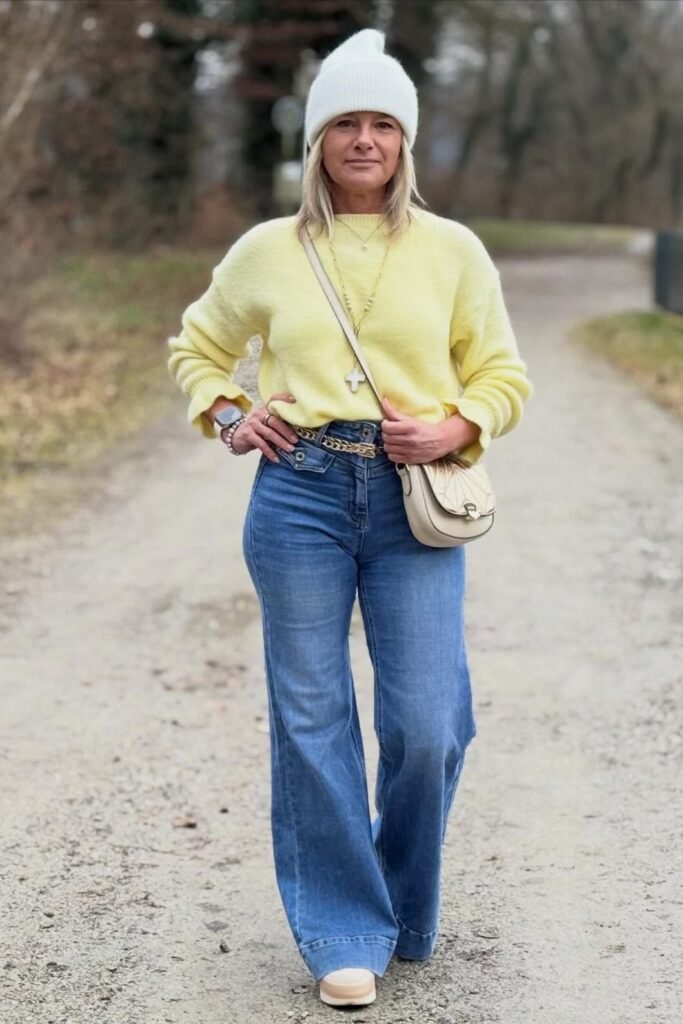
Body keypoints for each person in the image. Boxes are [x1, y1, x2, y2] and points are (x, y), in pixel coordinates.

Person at [167, 27, 533, 1009]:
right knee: (312, 713)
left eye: (382, 124)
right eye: (344, 123)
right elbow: (197, 348)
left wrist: (455, 420)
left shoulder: (451, 251)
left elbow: (503, 375)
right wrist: (233, 413)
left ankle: (399, 904)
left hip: (413, 500)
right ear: (317, 140)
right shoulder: (268, 251)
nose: (363, 140)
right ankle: (340, 929)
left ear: (404, 142)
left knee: (424, 726)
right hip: (300, 497)